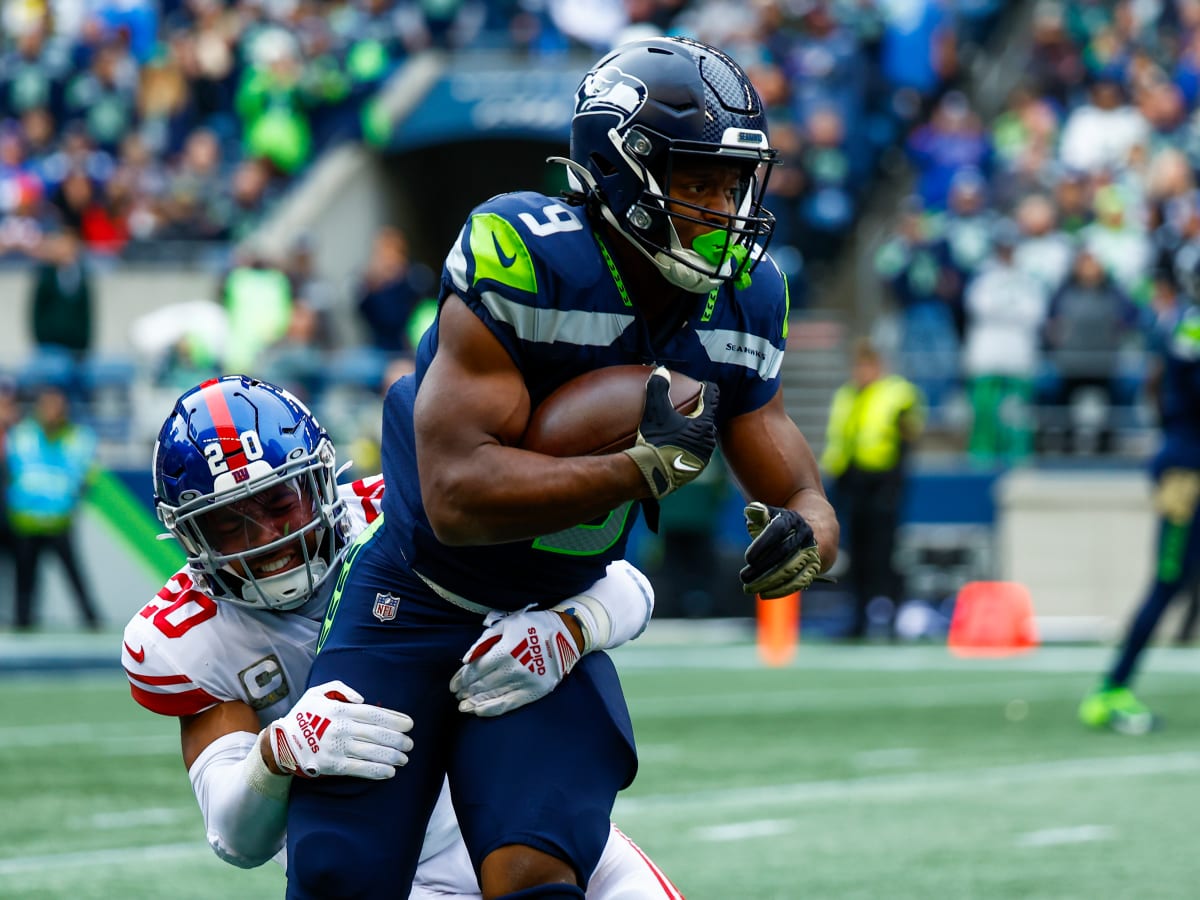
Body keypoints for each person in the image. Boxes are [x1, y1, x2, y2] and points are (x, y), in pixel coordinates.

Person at [287, 36, 838, 900]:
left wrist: (812, 527)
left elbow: (786, 466)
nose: (724, 207)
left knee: (537, 874)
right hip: (416, 596)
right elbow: (459, 495)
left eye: (735, 183)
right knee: (336, 878)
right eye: (697, 181)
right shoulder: (526, 251)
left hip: (554, 609)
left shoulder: (749, 293)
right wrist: (637, 471)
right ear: (620, 174)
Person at [123, 375, 680, 898]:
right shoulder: (185, 635)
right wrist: (275, 754)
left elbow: (628, 588)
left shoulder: (402, 508)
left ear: (318, 480)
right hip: (385, 873)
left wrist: (568, 630)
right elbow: (237, 841)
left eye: (279, 504)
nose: (267, 538)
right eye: (228, 522)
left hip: (520, 812)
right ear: (189, 533)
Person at [1078, 285, 1200, 734]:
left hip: (1185, 461)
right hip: (1188, 473)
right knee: (1168, 579)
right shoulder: (1192, 325)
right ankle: (1112, 689)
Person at [821, 339, 924, 639]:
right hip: (852, 483)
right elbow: (840, 440)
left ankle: (892, 619)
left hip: (883, 483)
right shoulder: (846, 395)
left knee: (884, 556)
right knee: (857, 555)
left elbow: (906, 441)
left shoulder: (898, 395)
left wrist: (895, 484)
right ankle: (859, 619)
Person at [6, 383, 101, 630]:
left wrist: (71, 501)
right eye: (47, 405)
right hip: (25, 520)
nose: (52, 410)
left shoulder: (79, 438)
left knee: (75, 575)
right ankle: (22, 622)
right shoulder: (21, 435)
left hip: (60, 520)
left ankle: (92, 620)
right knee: (25, 578)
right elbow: (9, 472)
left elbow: (87, 476)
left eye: (57, 405)